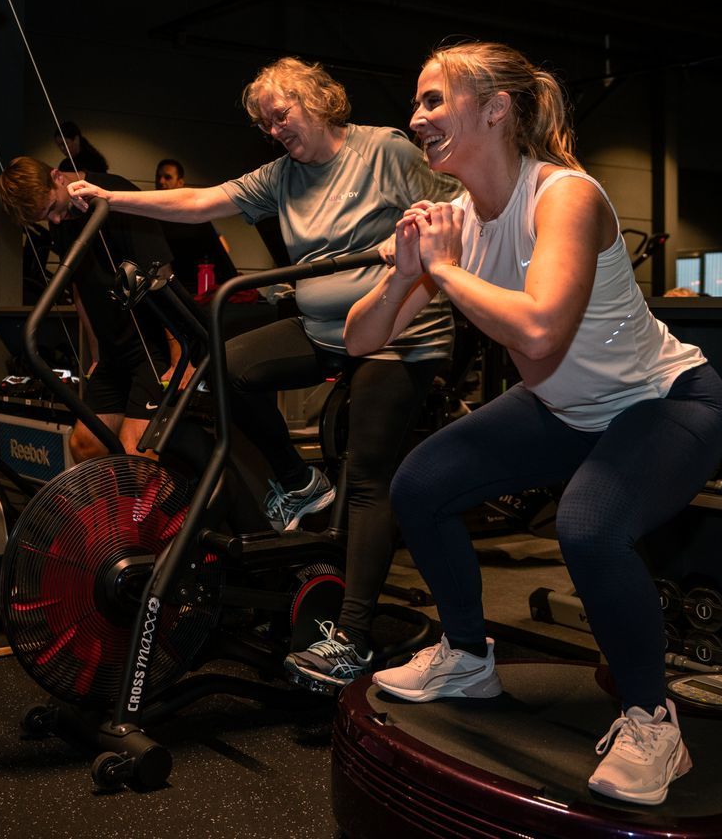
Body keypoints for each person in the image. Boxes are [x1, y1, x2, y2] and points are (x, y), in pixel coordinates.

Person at [344, 41, 722, 806]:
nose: (415, 118)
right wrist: (405, 269)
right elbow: (359, 339)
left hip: (666, 402)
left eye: (433, 100)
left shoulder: (566, 196)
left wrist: (444, 269)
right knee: (419, 484)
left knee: (588, 528)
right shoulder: (456, 218)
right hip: (564, 406)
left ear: (495, 109)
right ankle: (464, 654)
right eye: (417, 103)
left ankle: (654, 724)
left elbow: (541, 331)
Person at [65, 56, 459, 691]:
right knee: (221, 366)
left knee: (367, 476)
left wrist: (413, 239)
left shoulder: (384, 150)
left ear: (318, 101)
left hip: (398, 333)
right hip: (324, 328)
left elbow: (460, 209)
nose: (276, 130)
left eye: (283, 115)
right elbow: (202, 201)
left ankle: (351, 638)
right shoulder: (283, 175)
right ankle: (299, 481)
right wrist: (114, 197)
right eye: (266, 123)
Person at [0, 157, 172, 461]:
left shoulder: (117, 195)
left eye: (52, 208)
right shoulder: (63, 219)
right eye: (44, 217)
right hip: (113, 352)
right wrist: (95, 355)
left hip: (150, 348)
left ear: (57, 176)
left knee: (137, 453)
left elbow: (163, 275)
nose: (53, 221)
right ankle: (114, 509)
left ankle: (163, 506)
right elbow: (79, 288)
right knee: (84, 445)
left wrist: (180, 360)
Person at [154, 158, 239, 298]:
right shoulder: (152, 216)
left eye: (167, 177)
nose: (161, 182)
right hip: (166, 288)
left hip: (192, 288)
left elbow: (223, 248)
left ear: (180, 182)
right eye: (158, 177)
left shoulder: (192, 216)